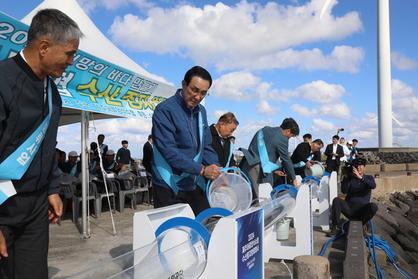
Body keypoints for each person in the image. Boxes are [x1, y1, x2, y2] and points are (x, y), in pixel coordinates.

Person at [0, 9, 82, 279]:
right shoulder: (3, 80)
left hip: (35, 209)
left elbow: (48, 146)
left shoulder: (53, 93)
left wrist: (51, 189)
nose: (71, 61)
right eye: (69, 53)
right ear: (44, 47)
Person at [151, 66, 221, 214]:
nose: (197, 97)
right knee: (172, 233)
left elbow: (206, 145)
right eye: (194, 90)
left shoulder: (201, 112)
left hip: (193, 182)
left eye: (203, 93)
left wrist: (217, 169)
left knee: (200, 226)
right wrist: (201, 170)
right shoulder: (165, 110)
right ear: (183, 84)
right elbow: (168, 150)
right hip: (169, 184)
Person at [239, 118, 300, 197]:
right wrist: (294, 179)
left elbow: (264, 150)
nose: (289, 138)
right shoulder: (282, 138)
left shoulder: (265, 129)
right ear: (288, 131)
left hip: (247, 163)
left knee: (249, 195)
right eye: (291, 136)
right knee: (261, 198)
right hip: (258, 170)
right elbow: (286, 160)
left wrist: (274, 170)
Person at [327, 158, 378, 236]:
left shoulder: (369, 178)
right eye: (356, 166)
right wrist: (347, 178)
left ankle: (361, 224)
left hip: (362, 210)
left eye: (361, 165)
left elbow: (372, 186)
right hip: (349, 209)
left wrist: (360, 178)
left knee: (373, 206)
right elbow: (344, 191)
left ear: (364, 167)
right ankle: (334, 228)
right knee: (336, 200)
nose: (358, 167)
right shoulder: (349, 178)